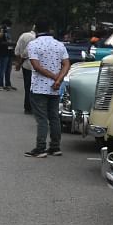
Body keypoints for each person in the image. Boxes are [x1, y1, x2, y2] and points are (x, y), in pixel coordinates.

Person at [25, 18, 69, 157]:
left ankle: (40, 148)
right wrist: (59, 79)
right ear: (49, 28)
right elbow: (66, 64)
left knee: (42, 118)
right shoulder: (59, 45)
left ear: (36, 29)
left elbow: (36, 67)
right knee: (54, 117)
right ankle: (55, 147)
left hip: (39, 87)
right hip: (55, 88)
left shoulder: (33, 44)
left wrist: (54, 77)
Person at [14, 24, 36, 113]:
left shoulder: (23, 35)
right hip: (34, 65)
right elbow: (26, 53)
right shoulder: (35, 39)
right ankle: (31, 107)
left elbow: (17, 51)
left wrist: (18, 63)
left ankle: (27, 107)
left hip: (26, 66)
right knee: (34, 87)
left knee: (27, 86)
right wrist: (20, 62)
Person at [0, 19, 15, 91]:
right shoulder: (0, 31)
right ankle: (0, 84)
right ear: (5, 25)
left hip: (9, 52)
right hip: (3, 52)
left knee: (8, 69)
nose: (9, 27)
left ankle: (8, 84)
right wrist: (10, 43)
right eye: (8, 26)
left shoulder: (7, 31)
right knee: (2, 69)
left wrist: (11, 43)